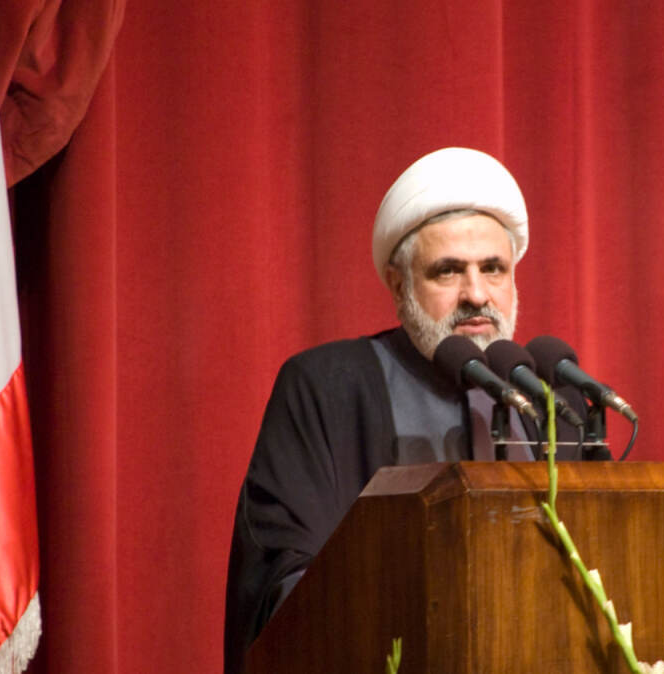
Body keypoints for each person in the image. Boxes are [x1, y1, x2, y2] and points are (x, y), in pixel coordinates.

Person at [223, 147, 610, 673]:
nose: (477, 294)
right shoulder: (328, 387)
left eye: (493, 268)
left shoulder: (552, 402)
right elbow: (283, 580)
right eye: (448, 271)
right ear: (398, 283)